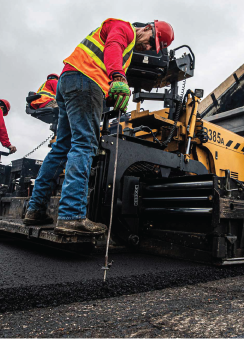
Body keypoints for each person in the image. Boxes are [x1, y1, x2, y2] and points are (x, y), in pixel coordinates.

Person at [23, 19, 174, 235]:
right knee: (84, 145)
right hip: (85, 80)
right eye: (152, 42)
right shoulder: (123, 27)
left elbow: (107, 62)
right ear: (148, 28)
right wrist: (118, 77)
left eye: (153, 47)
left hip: (70, 80)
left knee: (61, 147)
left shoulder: (128, 49)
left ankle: (35, 210)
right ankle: (71, 216)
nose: (149, 48)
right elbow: (112, 47)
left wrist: (111, 95)